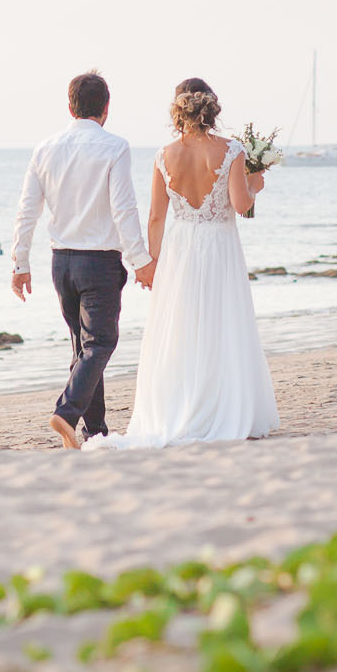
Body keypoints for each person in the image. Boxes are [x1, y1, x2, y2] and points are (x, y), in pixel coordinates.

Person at [92, 78, 277, 449]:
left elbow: (156, 217)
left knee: (181, 328)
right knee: (222, 324)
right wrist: (255, 183)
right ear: (211, 108)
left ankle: (179, 408)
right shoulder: (232, 150)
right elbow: (241, 205)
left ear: (179, 111)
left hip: (180, 251)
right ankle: (223, 407)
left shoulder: (163, 155)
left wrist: (152, 263)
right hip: (220, 247)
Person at [9, 71, 154, 449]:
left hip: (61, 263)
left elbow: (27, 210)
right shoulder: (115, 147)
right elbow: (124, 208)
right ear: (106, 107)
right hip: (99, 263)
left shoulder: (45, 148)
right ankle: (67, 412)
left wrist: (20, 263)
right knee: (100, 343)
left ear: (70, 107)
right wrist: (140, 259)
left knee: (83, 349)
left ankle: (95, 431)